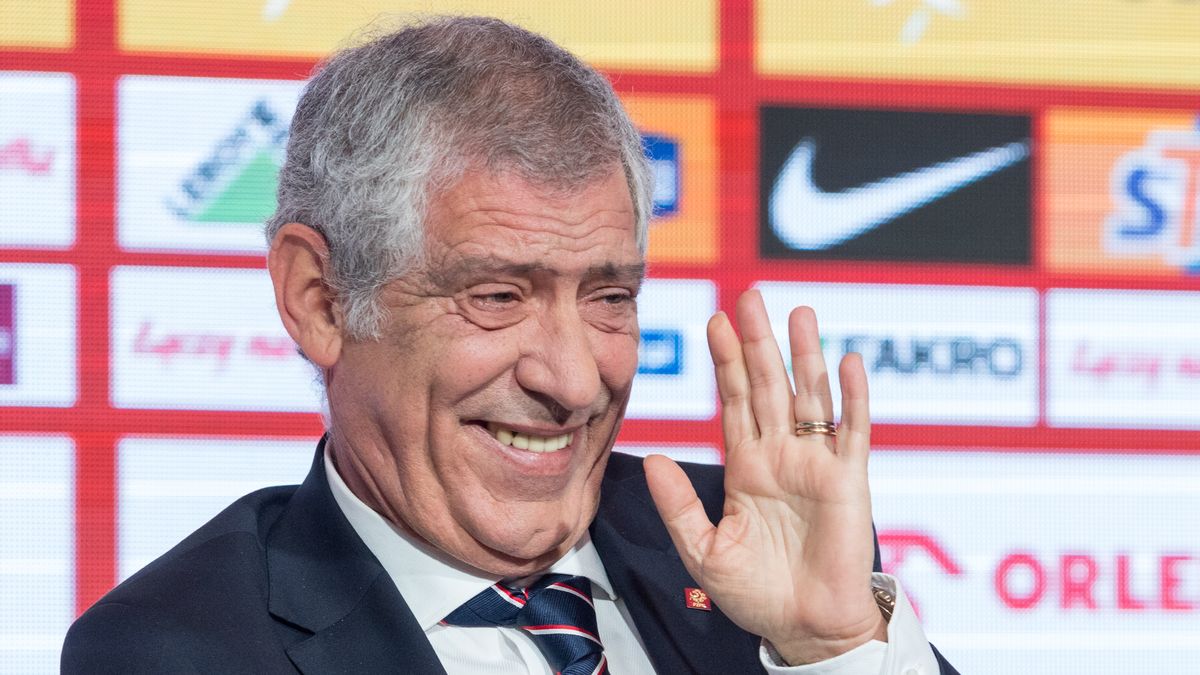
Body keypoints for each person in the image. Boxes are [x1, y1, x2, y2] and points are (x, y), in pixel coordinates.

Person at [63, 16, 957, 674]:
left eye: (609, 296)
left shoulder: (763, 555)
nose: (574, 379)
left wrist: (836, 650)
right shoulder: (177, 647)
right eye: (497, 296)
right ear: (321, 299)